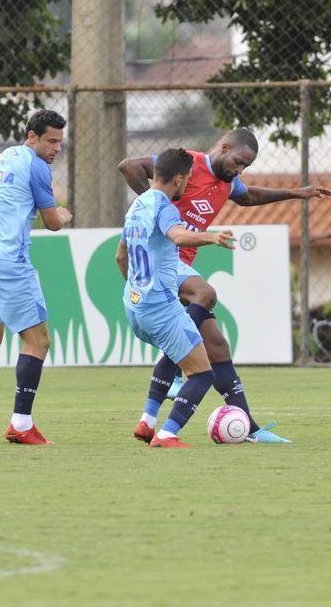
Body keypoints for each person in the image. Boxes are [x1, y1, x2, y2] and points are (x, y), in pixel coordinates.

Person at [118, 128, 331, 444]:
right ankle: (176, 370)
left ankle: (244, 427)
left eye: (245, 166)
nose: (240, 170)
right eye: (238, 161)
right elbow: (129, 166)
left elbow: (248, 196)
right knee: (205, 295)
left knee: (216, 346)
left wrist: (295, 193)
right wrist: (155, 206)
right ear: (224, 146)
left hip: (181, 263)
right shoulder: (188, 162)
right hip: (169, 260)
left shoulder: (228, 182)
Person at [0, 109, 72, 446]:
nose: (55, 149)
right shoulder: (37, 165)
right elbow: (52, 221)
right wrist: (62, 215)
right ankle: (21, 423)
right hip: (9, 262)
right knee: (38, 341)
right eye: (50, 141)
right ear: (32, 136)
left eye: (60, 143)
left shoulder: (3, 157)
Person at [117, 148, 237, 447]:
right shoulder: (167, 207)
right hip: (161, 308)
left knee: (177, 353)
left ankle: (147, 422)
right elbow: (179, 236)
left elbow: (120, 256)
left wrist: (137, 288)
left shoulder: (136, 206)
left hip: (134, 306)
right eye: (188, 181)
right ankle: (168, 434)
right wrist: (213, 236)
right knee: (202, 374)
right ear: (180, 179)